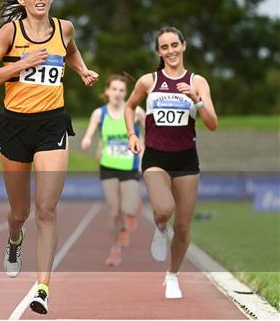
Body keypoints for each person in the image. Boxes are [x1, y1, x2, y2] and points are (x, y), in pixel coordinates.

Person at [0, 0, 99, 314]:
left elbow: (70, 51)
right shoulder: (10, 33)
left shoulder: (65, 29)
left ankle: (42, 288)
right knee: (20, 212)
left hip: (52, 123)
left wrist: (82, 70)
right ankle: (15, 239)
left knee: (46, 210)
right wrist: (22, 65)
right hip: (15, 125)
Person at [124, 27, 217, 299]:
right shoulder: (148, 81)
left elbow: (212, 124)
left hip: (187, 158)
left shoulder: (197, 82)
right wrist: (132, 134)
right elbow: (130, 107)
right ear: (158, 52)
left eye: (174, 45)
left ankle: (172, 276)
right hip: (155, 156)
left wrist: (196, 100)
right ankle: (159, 227)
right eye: (164, 47)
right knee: (164, 210)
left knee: (184, 226)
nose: (171, 51)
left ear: (184, 46)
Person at [81, 74, 145, 267]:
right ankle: (116, 248)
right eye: (114, 89)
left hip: (130, 165)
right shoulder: (99, 114)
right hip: (108, 166)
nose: (117, 93)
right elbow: (90, 134)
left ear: (127, 93)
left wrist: (143, 153)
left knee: (129, 208)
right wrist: (87, 141)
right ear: (107, 91)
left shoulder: (136, 111)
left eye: (121, 90)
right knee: (115, 211)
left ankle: (134, 207)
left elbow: (149, 132)